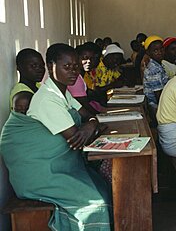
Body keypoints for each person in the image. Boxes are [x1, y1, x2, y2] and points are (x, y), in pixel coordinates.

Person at [0, 43, 112, 230]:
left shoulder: (62, 93)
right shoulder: (46, 99)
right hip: (39, 173)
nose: (73, 71)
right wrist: (90, 126)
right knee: (96, 203)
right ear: (51, 66)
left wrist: (91, 124)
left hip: (56, 166)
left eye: (76, 66)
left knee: (103, 185)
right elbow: (78, 140)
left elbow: (88, 115)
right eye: (66, 67)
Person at [68, 43, 104, 114]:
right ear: (76, 58)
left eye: (92, 58)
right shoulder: (75, 79)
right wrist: (102, 115)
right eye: (85, 58)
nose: (89, 61)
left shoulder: (81, 76)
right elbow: (84, 105)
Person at [143, 35, 169, 117]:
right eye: (155, 50)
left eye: (161, 49)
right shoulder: (153, 69)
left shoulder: (158, 65)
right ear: (148, 52)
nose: (160, 52)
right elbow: (158, 94)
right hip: (156, 107)